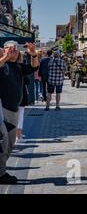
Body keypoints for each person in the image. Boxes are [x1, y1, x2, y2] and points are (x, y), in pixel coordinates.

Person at [0, 41, 39, 184]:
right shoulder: (2, 65)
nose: (13, 50)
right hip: (3, 109)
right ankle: (1, 173)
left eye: (16, 49)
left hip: (13, 109)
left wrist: (33, 54)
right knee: (3, 143)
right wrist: (5, 57)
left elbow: (34, 66)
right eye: (10, 48)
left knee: (9, 144)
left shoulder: (18, 66)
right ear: (4, 50)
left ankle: (1, 171)